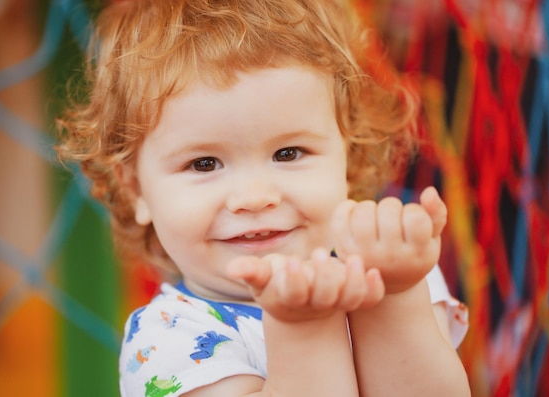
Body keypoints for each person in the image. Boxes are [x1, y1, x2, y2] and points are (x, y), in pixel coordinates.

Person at [56, 0, 470, 396]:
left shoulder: (386, 272)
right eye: (204, 164)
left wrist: (395, 295)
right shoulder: (168, 340)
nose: (254, 199)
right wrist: (302, 327)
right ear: (136, 190)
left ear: (349, 156)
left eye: (288, 154)